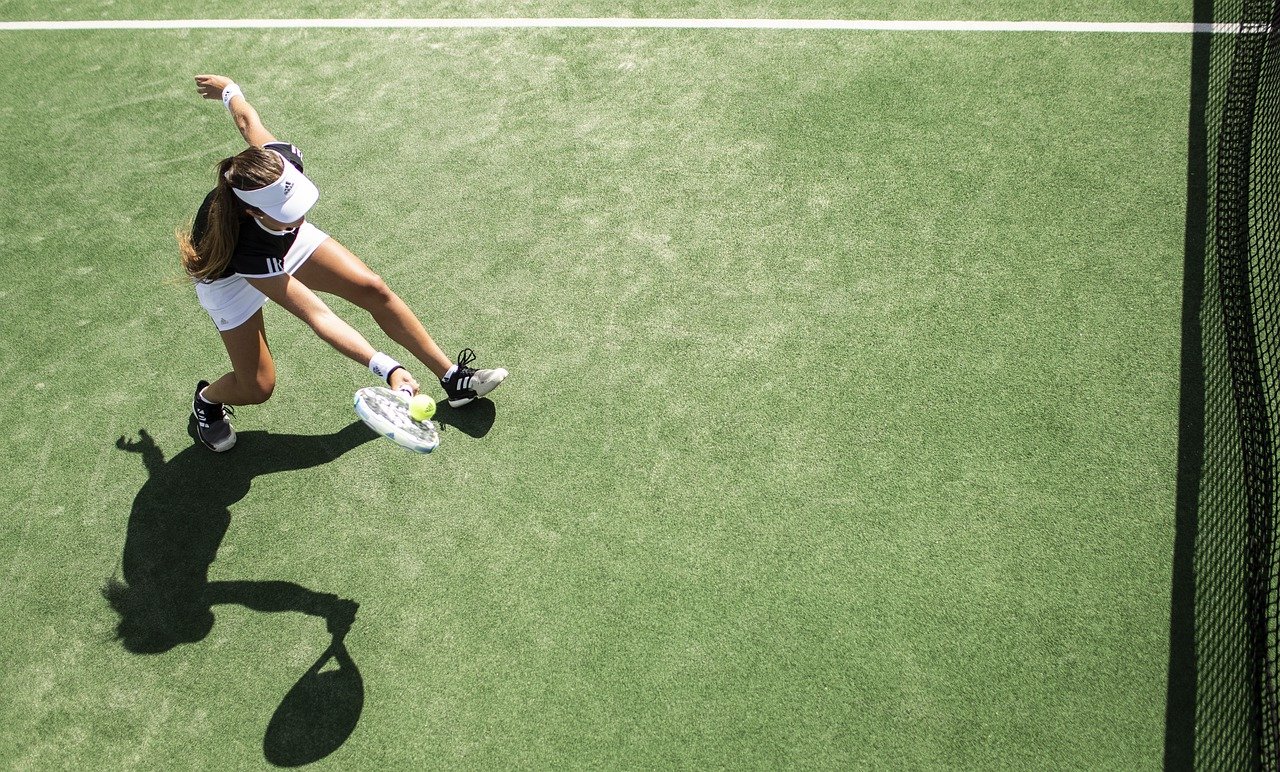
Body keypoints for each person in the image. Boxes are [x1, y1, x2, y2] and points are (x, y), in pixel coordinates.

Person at [177, 75, 507, 452]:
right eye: (290, 211)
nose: (300, 214)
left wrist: (229, 91)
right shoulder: (245, 246)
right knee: (257, 386)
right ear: (253, 211)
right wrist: (388, 367)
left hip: (277, 236)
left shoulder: (276, 166)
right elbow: (320, 316)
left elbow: (247, 122)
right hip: (231, 277)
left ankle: (452, 378)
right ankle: (207, 401)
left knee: (372, 288)